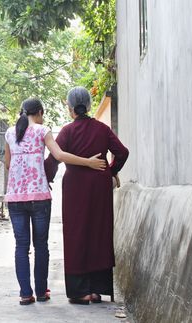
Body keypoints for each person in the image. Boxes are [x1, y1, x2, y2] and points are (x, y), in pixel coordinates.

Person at [4, 98, 106, 306]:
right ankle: (41, 292)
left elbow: (8, 163)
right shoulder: (43, 130)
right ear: (40, 112)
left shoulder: (9, 132)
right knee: (40, 245)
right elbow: (59, 155)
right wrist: (88, 162)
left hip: (15, 198)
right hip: (39, 197)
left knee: (21, 246)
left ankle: (25, 294)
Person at [44, 86, 129, 305]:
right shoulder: (102, 129)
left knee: (77, 233)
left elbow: (53, 160)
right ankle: (97, 289)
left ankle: (81, 291)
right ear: (89, 106)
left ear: (70, 107)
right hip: (100, 186)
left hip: (75, 188)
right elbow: (122, 152)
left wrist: (46, 178)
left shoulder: (67, 131)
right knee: (99, 232)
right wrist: (111, 171)